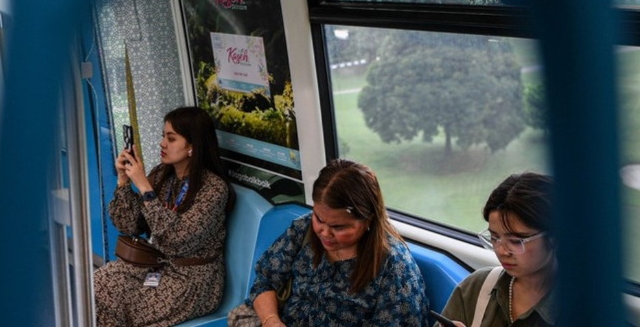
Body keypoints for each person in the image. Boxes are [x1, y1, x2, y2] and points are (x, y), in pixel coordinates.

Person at [228, 158, 428, 327]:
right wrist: (272, 321)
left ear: (367, 221)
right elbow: (265, 280)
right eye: (319, 218)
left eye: (338, 227)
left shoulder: (394, 267)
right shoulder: (303, 228)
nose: (324, 232)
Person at [92, 107, 235, 327]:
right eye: (163, 137)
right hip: (156, 266)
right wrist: (123, 181)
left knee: (120, 301)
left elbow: (177, 240)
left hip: (192, 279)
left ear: (192, 147)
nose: (162, 144)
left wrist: (145, 188)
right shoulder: (162, 175)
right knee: (99, 283)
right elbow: (128, 225)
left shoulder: (214, 189)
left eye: (171, 138)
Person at [439, 173, 556, 327]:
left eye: (516, 241)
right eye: (494, 238)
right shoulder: (477, 288)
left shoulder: (586, 307)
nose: (501, 251)